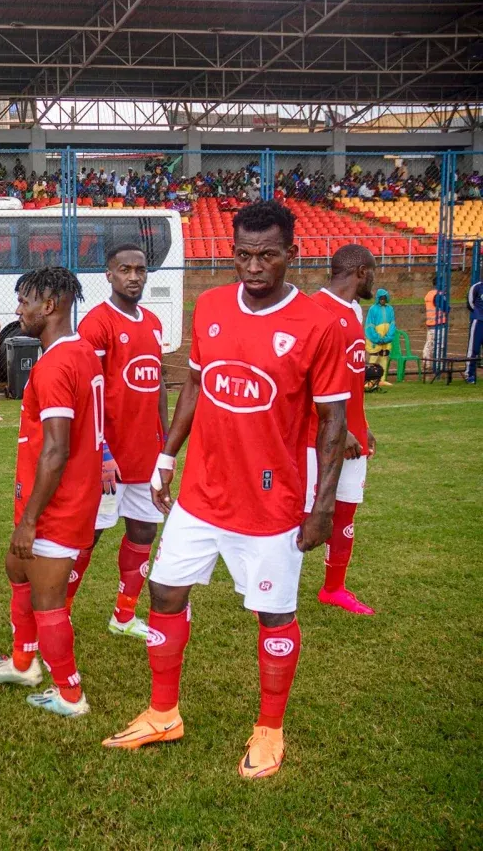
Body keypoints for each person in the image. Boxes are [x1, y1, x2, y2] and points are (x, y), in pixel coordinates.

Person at [102, 201, 349, 780]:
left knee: (273, 613)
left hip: (271, 502)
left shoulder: (317, 325)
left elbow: (334, 424)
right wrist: (167, 455)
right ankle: (163, 713)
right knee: (165, 591)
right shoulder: (211, 306)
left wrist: (323, 509)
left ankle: (270, 729)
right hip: (200, 494)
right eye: (244, 255)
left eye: (268, 255)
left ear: (292, 253)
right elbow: (195, 384)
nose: (254, 266)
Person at [0, 266, 102, 718]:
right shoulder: (82, 352)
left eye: (25, 301)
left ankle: (70, 694)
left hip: (58, 505)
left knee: (48, 601)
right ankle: (24, 663)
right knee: (17, 569)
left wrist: (30, 520)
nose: (18, 309)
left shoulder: (55, 365)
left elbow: (56, 449)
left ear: (48, 306)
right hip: (56, 495)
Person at [66, 244, 168, 639]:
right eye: (125, 269)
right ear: (109, 275)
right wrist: (102, 451)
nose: (134, 276)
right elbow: (85, 392)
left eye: (140, 270)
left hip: (146, 455)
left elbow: (158, 384)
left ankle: (123, 616)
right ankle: (60, 612)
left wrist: (165, 446)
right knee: (86, 536)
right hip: (107, 458)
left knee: (144, 532)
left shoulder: (154, 322)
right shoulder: (97, 323)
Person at [307, 245, 378, 615]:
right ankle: (269, 590)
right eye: (374, 273)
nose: (374, 280)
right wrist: (337, 428)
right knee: (298, 515)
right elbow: (299, 381)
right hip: (315, 438)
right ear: (361, 272)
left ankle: (333, 588)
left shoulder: (354, 310)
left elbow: (347, 381)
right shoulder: (314, 311)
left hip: (353, 435)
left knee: (345, 514)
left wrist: (363, 426)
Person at [364, 288, 396, 387]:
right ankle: (369, 380)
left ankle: (382, 379)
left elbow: (392, 324)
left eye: (384, 299)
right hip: (375, 340)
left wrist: (388, 338)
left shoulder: (390, 309)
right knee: (374, 357)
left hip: (386, 340)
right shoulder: (373, 309)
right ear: (378, 299)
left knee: (384, 357)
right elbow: (369, 325)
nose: (383, 300)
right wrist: (376, 338)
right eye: (381, 299)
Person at [423, 286, 447, 367]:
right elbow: (446, 308)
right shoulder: (438, 295)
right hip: (439, 323)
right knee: (439, 346)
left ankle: (426, 363)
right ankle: (438, 365)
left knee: (429, 344)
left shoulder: (429, 294)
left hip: (431, 323)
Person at [468, 273, 483, 384]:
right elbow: (470, 303)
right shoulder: (477, 287)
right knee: (474, 349)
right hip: (478, 321)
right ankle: (470, 374)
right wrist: (478, 313)